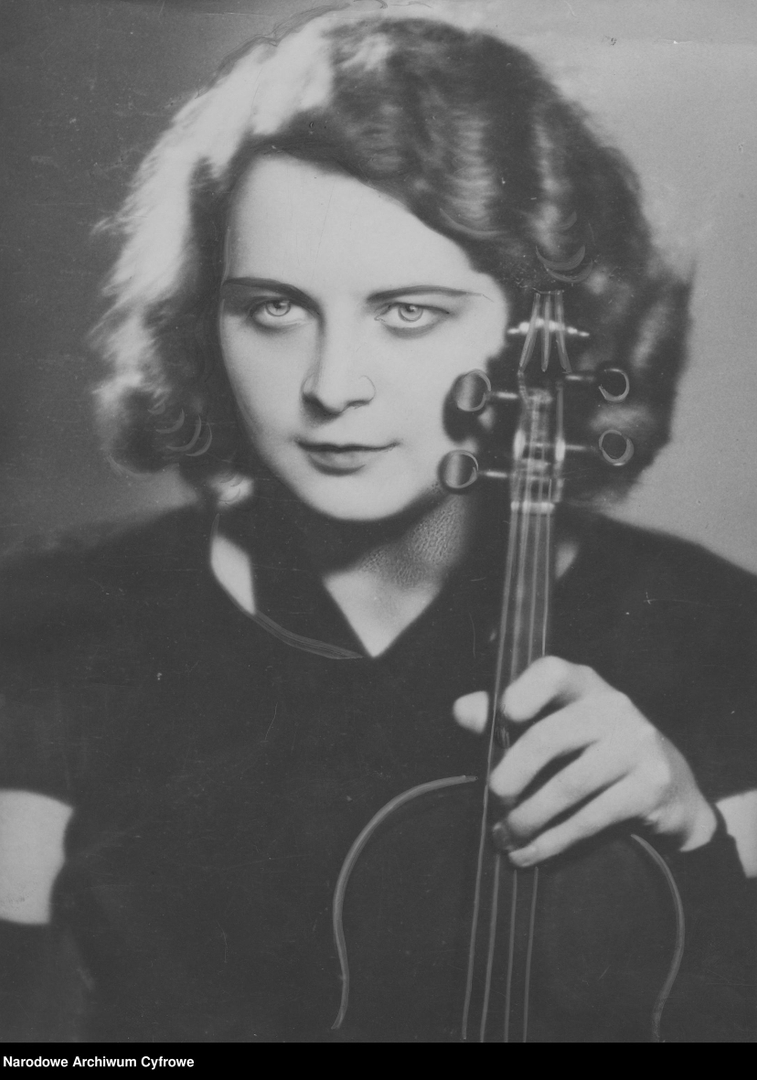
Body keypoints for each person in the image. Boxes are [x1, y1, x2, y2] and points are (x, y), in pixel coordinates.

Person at [0, 9, 754, 1043]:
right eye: (274, 308)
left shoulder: (714, 634)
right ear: (204, 319)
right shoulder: (48, 621)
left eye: (408, 311)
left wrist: (694, 836)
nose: (330, 385)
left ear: (540, 333)